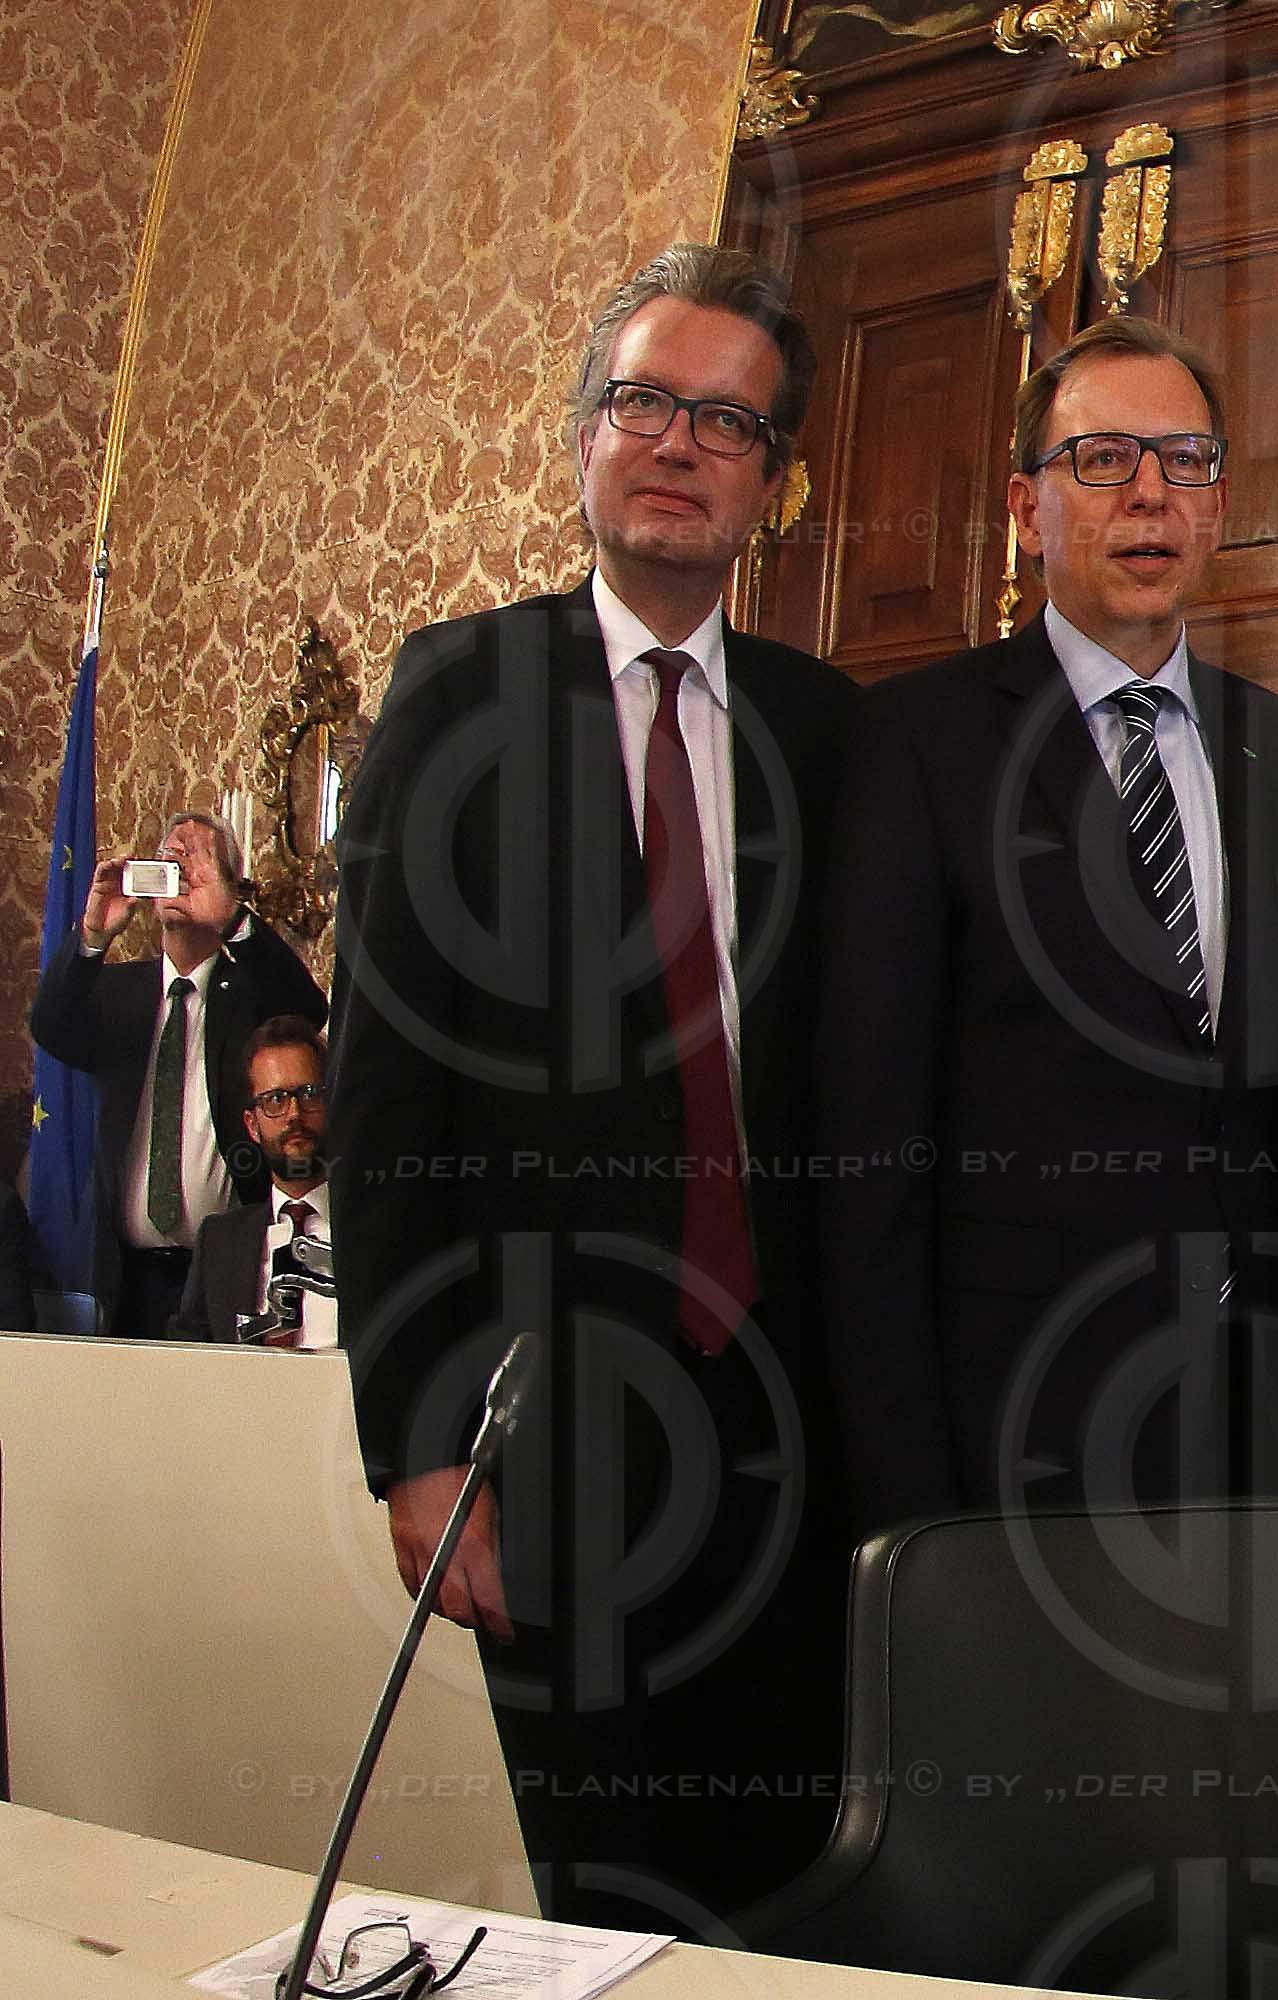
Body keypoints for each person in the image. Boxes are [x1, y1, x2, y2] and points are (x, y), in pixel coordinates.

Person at [329, 244, 861, 1928]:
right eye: (644, 398)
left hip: (787, 1425)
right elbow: (387, 1091)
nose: (678, 440)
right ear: (582, 437)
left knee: (775, 1872)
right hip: (543, 1420)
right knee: (582, 1881)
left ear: (772, 483)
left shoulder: (827, 729)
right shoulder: (459, 690)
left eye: (726, 418)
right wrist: (417, 1439)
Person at [818, 315, 1278, 1533]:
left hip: (1257, 1426)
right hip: (1017, 1425)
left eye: (1187, 462)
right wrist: (904, 1492)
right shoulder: (916, 746)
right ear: (1026, 505)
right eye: (1104, 460)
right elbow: (867, 1146)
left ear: (1217, 507)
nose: (1150, 496)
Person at [28, 809, 320, 1338]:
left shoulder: (250, 990)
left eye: (198, 861)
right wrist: (93, 934)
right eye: (170, 858)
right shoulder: (120, 992)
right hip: (128, 1275)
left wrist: (229, 919)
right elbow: (50, 1027)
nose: (180, 868)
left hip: (228, 1269)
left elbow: (307, 1012)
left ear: (228, 885)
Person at [174, 1017, 331, 1346]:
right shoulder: (219, 1241)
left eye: (308, 1093)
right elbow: (186, 1359)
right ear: (252, 1125)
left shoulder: (376, 1231)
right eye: (275, 1099)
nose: (293, 1114)